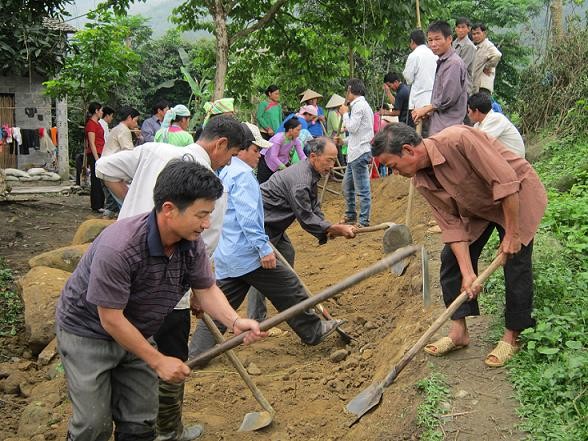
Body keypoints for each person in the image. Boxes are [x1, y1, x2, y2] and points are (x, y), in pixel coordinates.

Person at [55, 160, 265, 441]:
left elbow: (206, 288)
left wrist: (235, 321)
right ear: (168, 210)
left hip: (138, 330)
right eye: (201, 215)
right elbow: (111, 319)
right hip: (88, 333)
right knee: (93, 426)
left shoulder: (191, 243)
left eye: (210, 215)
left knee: (141, 421)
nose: (207, 224)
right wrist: (158, 361)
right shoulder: (119, 247)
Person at [97, 116, 249, 440]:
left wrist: (131, 204)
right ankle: (168, 430)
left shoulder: (152, 150)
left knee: (128, 357)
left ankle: (131, 426)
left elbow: (103, 169)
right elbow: (205, 244)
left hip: (127, 281)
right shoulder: (209, 187)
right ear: (220, 145)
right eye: (232, 154)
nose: (229, 161)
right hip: (171, 291)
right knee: (171, 360)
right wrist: (197, 292)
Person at [372, 123, 547, 368]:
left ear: (408, 150)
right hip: (478, 207)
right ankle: (459, 332)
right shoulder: (421, 181)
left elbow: (506, 182)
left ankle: (512, 336)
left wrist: (512, 234)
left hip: (515, 196)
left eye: (393, 166)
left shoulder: (459, 139)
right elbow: (451, 225)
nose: (396, 173)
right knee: (451, 261)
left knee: (516, 262)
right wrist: (468, 273)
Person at [189, 125, 343, 359]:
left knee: (220, 304)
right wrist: (263, 248)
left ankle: (197, 354)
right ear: (239, 150)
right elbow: (248, 218)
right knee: (289, 286)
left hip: (228, 252)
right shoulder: (242, 175)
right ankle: (313, 331)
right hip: (247, 253)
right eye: (254, 149)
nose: (259, 155)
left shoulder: (224, 172)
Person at [261, 136, 357, 270]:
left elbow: (313, 206)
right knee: (263, 270)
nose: (331, 166)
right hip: (262, 224)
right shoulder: (301, 181)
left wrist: (328, 228)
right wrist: (331, 228)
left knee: (286, 255)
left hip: (274, 224)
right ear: (313, 156)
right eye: (329, 160)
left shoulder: (310, 172)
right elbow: (306, 216)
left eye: (334, 161)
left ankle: (282, 289)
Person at [412, 21, 468, 136]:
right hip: (440, 124)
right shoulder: (442, 62)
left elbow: (447, 98)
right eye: (430, 40)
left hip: (448, 127)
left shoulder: (453, 63)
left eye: (437, 39)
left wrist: (426, 109)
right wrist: (428, 111)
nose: (433, 44)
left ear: (449, 39)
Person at [338, 78, 374, 227]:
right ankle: (351, 214)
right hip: (355, 152)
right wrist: (343, 142)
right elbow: (358, 133)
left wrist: (344, 114)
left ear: (350, 90)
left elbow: (352, 128)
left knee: (362, 190)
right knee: (347, 187)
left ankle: (364, 220)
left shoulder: (359, 106)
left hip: (359, 153)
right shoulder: (360, 106)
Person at [101, 106, 141, 218]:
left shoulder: (117, 128)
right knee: (127, 204)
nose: (136, 124)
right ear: (129, 118)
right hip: (111, 171)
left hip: (107, 169)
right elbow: (129, 153)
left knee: (116, 205)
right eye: (136, 120)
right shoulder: (124, 130)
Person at [403, 28, 438, 134]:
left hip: (419, 99)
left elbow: (408, 79)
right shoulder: (434, 54)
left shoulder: (414, 55)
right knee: (430, 131)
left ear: (412, 42)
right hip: (433, 99)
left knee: (418, 133)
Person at [468, 93, 525, 157]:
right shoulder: (478, 125)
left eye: (469, 111)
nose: (468, 115)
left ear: (476, 111)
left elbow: (479, 144)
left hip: (514, 161)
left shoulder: (495, 118)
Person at [257, 117, 305, 183]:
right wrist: (284, 168)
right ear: (290, 130)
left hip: (279, 164)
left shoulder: (295, 140)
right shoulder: (278, 139)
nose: (299, 132)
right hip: (267, 163)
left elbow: (301, 155)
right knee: (262, 185)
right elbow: (273, 157)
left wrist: (307, 163)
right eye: (298, 130)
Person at [85, 101, 105, 212]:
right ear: (96, 111)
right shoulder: (91, 124)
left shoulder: (98, 123)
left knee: (100, 179)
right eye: (101, 110)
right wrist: (96, 158)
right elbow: (91, 143)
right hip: (95, 154)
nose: (102, 112)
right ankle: (96, 205)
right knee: (96, 179)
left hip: (100, 152)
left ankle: (100, 203)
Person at [471, 22, 502, 95]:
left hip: (483, 86)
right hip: (476, 86)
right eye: (474, 34)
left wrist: (487, 66)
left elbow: (497, 55)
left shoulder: (487, 45)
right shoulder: (477, 47)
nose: (475, 36)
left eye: (478, 33)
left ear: (484, 33)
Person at [452, 17, 476, 89]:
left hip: (463, 85)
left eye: (463, 27)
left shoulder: (469, 46)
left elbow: (462, 66)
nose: (460, 30)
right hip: (453, 82)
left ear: (468, 29)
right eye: (458, 27)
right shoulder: (454, 43)